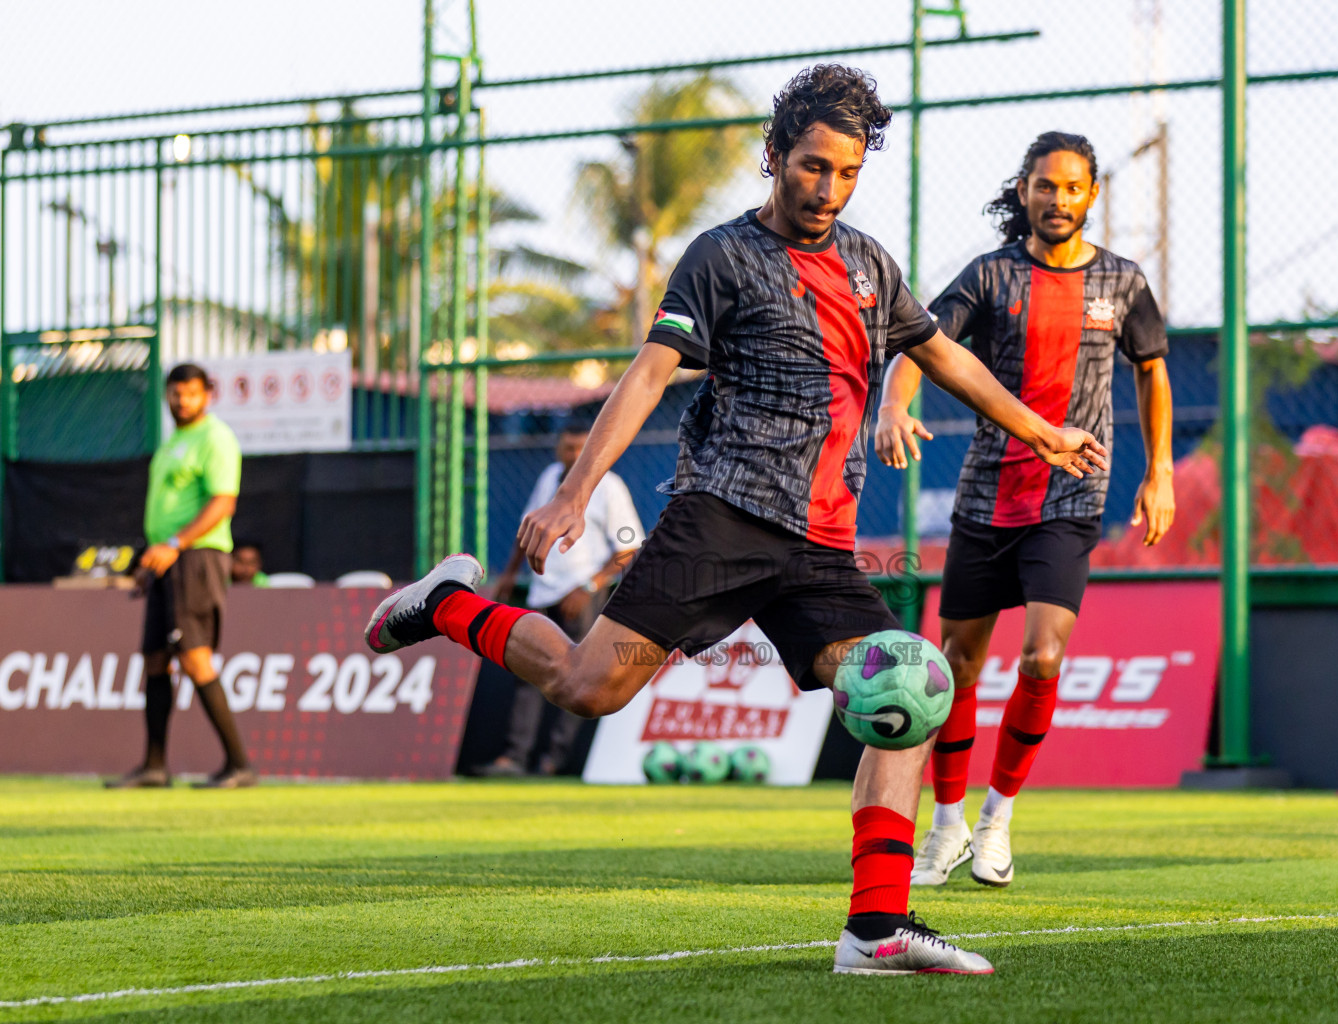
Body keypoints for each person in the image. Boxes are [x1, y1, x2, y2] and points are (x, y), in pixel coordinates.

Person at [366, 65, 1105, 975]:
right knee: (586, 686)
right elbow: (647, 374)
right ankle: (446, 606)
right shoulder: (720, 257)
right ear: (774, 157)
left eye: (845, 172)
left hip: (821, 548)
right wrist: (576, 490)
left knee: (907, 694)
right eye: (810, 168)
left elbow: (943, 354)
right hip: (720, 519)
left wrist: (1040, 429)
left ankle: (875, 930)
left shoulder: (872, 264)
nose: (826, 189)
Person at [876, 132, 1175, 888]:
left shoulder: (1124, 282)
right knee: (959, 667)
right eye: (1045, 186)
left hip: (1073, 495)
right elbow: (921, 344)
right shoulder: (990, 275)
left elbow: (1153, 373)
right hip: (987, 494)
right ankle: (945, 826)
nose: (1058, 199)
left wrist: (1160, 470)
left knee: (1044, 657)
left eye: (1073, 187)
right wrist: (892, 406)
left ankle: (997, 819)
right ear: (1023, 190)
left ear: (1092, 195)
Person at [108, 363, 255, 789]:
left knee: (195, 657)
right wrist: (151, 561)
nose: (181, 400)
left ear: (207, 394)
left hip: (196, 557)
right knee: (155, 660)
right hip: (165, 562)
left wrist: (173, 544)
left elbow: (222, 503)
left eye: (190, 393)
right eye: (175, 393)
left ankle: (239, 764)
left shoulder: (215, 438)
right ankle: (155, 767)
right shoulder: (173, 442)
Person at [476, 423, 643, 777]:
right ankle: (515, 758)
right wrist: (509, 573)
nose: (574, 456)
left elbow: (629, 548)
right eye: (568, 448)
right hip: (541, 590)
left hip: (581, 596)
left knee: (581, 677)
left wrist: (588, 587)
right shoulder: (549, 478)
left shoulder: (609, 486)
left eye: (581, 448)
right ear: (558, 450)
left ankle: (554, 760)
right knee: (529, 674)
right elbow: (529, 528)